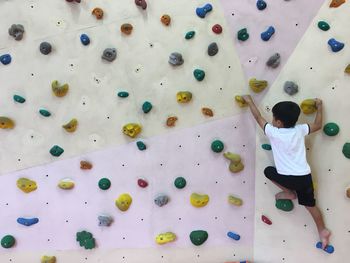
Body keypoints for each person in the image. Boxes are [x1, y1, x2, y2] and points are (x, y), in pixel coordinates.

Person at [242, 95, 331, 249]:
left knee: (268, 171)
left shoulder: (273, 132)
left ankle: (288, 193)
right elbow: (318, 125)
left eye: (274, 117)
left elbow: (258, 117)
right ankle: (322, 231)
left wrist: (250, 101)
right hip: (304, 178)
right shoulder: (300, 129)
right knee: (311, 206)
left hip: (288, 179)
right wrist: (320, 107)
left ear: (278, 122)